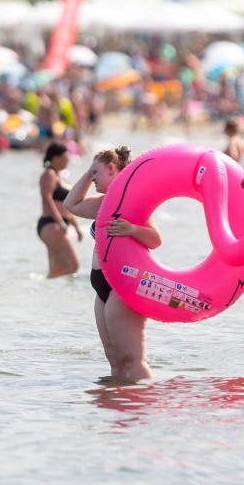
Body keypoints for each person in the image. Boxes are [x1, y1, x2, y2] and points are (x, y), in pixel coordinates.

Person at [65, 146, 161, 381]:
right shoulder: (102, 203)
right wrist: (89, 171)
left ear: (111, 169)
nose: (93, 178)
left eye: (96, 173)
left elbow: (155, 239)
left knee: (132, 359)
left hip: (123, 284)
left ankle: (143, 408)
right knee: (114, 360)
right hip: (102, 287)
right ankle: (115, 410)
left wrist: (131, 229)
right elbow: (71, 204)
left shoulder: (133, 201)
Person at [38, 143, 82, 278]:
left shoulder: (61, 176)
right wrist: (60, 222)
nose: (68, 159)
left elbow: (66, 205)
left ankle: (49, 295)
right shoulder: (48, 175)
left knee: (56, 270)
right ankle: (65, 295)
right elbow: (47, 199)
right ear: (55, 158)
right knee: (73, 265)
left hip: (59, 224)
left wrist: (76, 227)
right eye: (65, 157)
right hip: (51, 224)